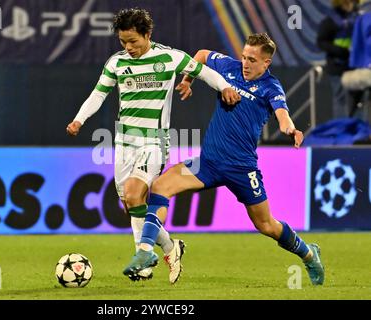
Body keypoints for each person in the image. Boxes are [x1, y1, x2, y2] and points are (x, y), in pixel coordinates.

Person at [123, 33, 325, 286]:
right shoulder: (229, 67)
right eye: (243, 56)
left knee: (266, 225)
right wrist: (188, 80)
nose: (245, 63)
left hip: (242, 169)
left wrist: (291, 129)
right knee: (160, 187)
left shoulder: (271, 88)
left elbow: (283, 115)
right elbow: (201, 55)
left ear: (267, 63)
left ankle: (308, 253)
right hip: (207, 164)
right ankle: (145, 250)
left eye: (252, 59)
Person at [66, 8, 240, 283]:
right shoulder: (116, 63)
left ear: (148, 34)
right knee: (130, 205)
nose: (128, 47)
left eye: (133, 41)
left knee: (135, 194)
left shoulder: (169, 57)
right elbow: (97, 95)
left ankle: (144, 259)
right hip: (123, 142)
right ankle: (171, 247)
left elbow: (204, 71)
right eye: (123, 42)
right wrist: (79, 120)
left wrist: (225, 88)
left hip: (154, 141)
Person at [317, 0, 360, 119]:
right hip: (337, 66)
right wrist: (340, 51)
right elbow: (321, 42)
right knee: (341, 100)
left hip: (353, 66)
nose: (354, 5)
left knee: (355, 100)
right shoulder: (331, 21)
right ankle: (342, 130)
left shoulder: (356, 19)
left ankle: (353, 130)